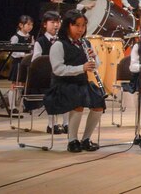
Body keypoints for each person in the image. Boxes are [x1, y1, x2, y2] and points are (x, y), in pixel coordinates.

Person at [42, 9, 105, 152]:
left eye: (83, 26)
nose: (81, 29)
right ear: (68, 26)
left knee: (99, 104)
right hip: (62, 85)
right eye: (77, 25)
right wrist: (81, 68)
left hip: (81, 83)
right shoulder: (58, 45)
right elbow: (58, 69)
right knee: (78, 102)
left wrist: (94, 57)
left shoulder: (86, 43)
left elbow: (97, 65)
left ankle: (86, 139)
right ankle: (72, 140)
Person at [28, 11, 67, 134]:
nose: (56, 25)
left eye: (58, 22)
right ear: (45, 24)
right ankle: (52, 125)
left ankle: (66, 123)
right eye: (52, 22)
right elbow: (36, 61)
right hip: (45, 78)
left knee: (69, 90)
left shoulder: (62, 40)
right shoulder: (40, 41)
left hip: (60, 75)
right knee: (52, 93)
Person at [7, 16, 33, 108]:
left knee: (24, 84)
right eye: (28, 24)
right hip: (17, 63)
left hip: (26, 64)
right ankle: (12, 106)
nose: (30, 26)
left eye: (32, 24)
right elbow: (13, 52)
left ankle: (22, 104)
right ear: (21, 25)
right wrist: (24, 55)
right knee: (14, 84)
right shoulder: (15, 37)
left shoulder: (30, 37)